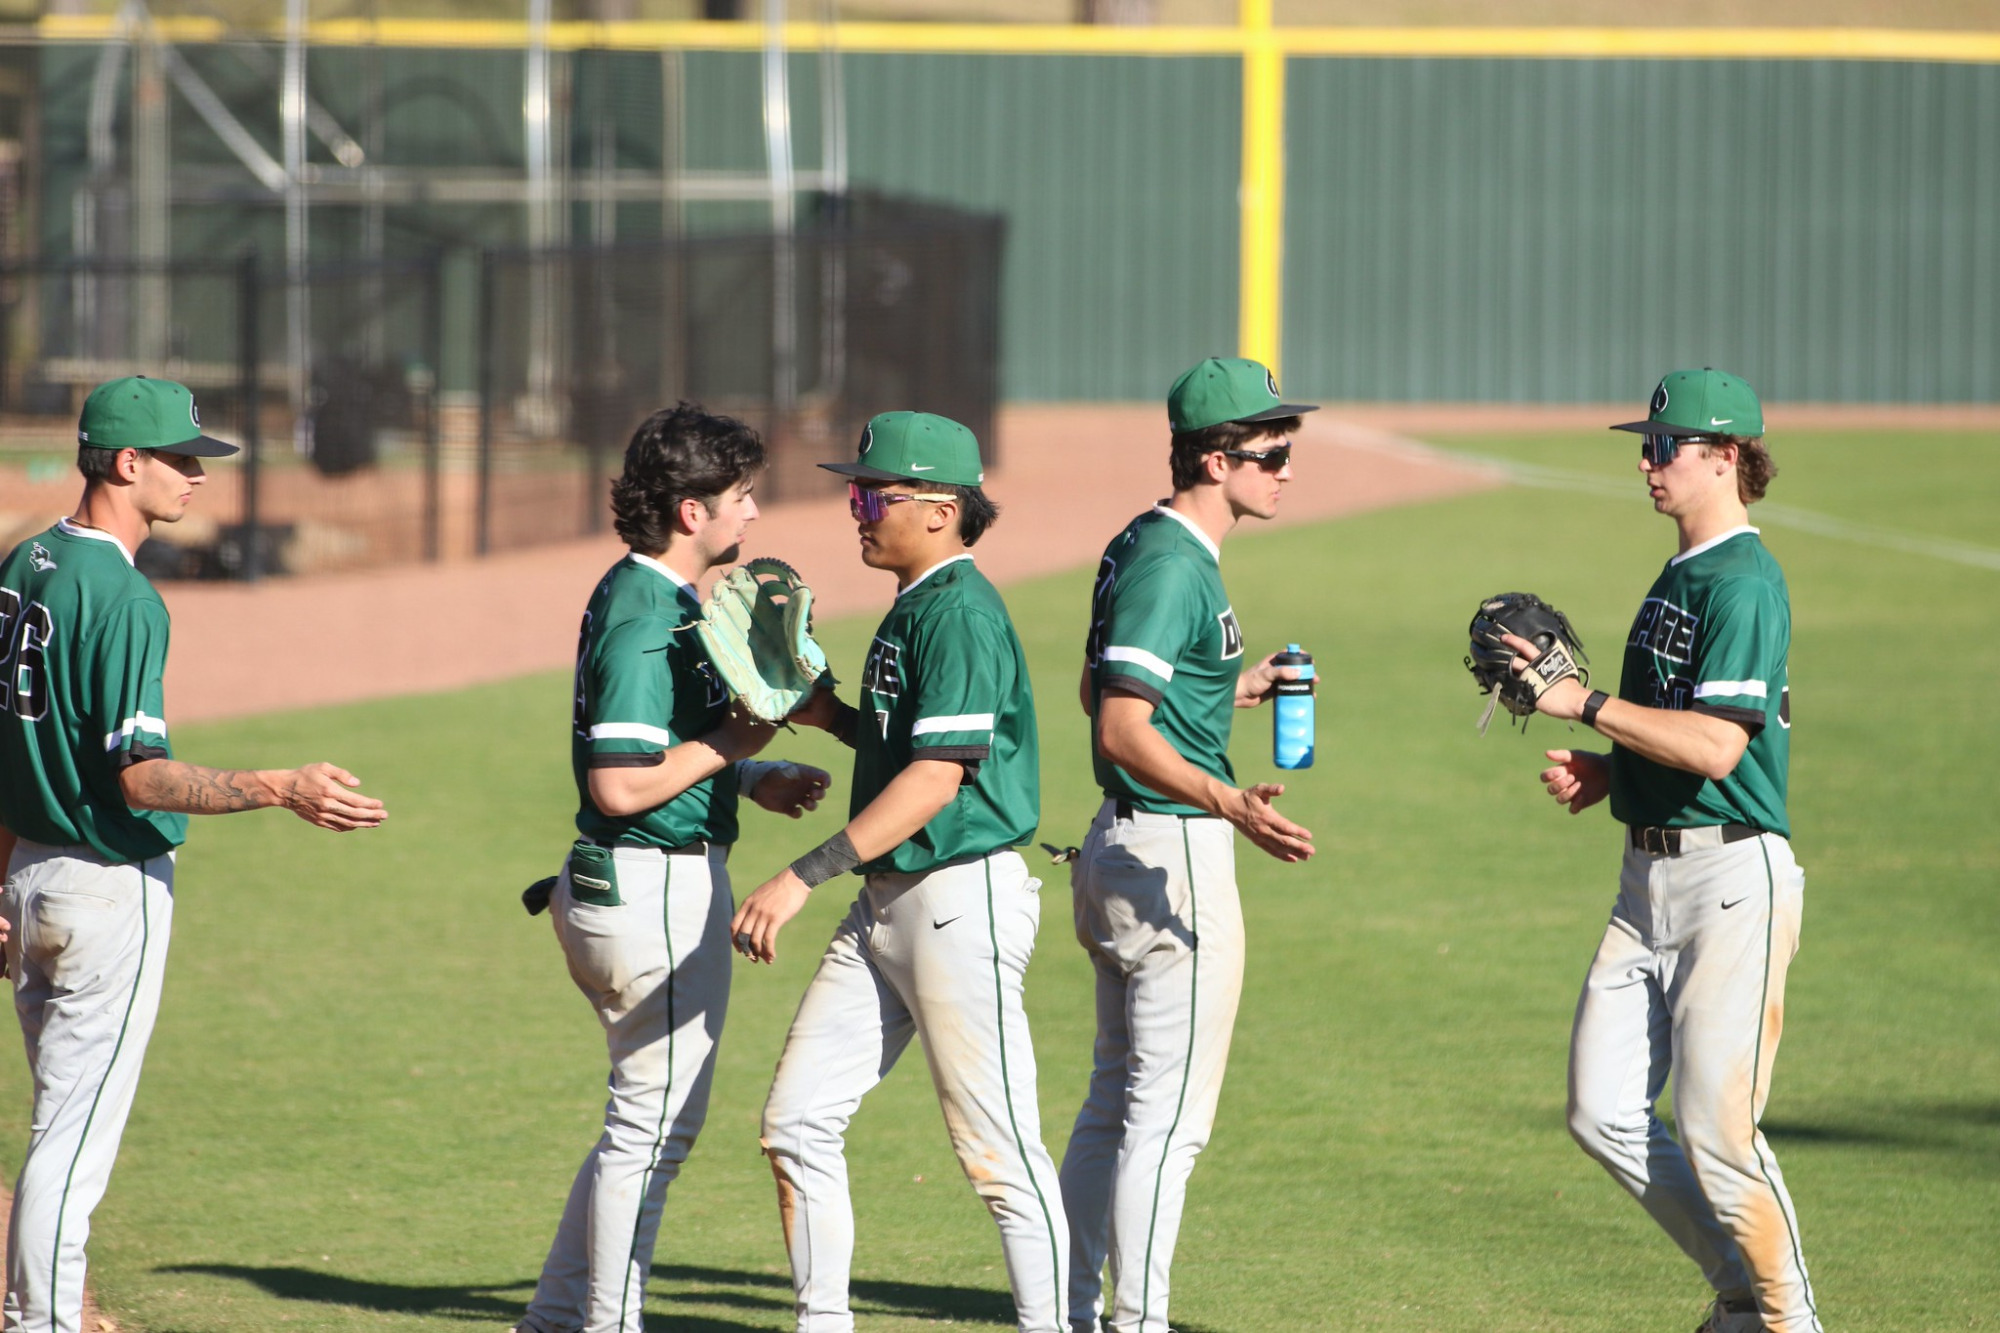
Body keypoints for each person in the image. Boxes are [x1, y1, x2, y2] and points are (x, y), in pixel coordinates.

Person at [0, 375, 389, 1333]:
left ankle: (45, 1305)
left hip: (27, 876)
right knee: (72, 1138)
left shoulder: (23, 564)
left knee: (58, 1118)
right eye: (180, 460)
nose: (196, 477)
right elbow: (140, 777)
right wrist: (279, 784)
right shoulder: (125, 597)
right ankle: (40, 1318)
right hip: (102, 894)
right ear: (124, 463)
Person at [730, 411, 1068, 1333]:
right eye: (856, 491)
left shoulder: (959, 610)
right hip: (888, 909)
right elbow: (895, 739)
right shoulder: (914, 603)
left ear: (940, 508)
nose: (857, 508)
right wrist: (817, 707)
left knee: (998, 1153)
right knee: (796, 1122)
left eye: (872, 493)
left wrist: (802, 873)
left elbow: (934, 778)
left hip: (959, 905)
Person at [1511, 369, 1820, 1333]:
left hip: (1730, 881)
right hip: (1644, 881)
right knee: (1601, 1109)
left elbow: (1721, 745)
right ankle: (1744, 1290)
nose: (1646, 462)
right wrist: (1611, 770)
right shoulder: (1680, 574)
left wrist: (1586, 704)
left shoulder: (1743, 580)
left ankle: (1786, 1316)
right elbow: (1677, 730)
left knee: (1718, 1134)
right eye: (1644, 444)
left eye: (1664, 446)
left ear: (1725, 457)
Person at [513, 404, 831, 1333]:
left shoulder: (655, 594)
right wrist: (735, 739)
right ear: (690, 511)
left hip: (634, 879)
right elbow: (618, 782)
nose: (754, 514)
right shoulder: (646, 608)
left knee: (638, 1124)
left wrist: (751, 770)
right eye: (741, 496)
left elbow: (661, 750)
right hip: (647, 883)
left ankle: (557, 1315)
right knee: (652, 1132)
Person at [1058, 356, 1319, 1333]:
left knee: (1109, 1103)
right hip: (1171, 855)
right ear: (1214, 458)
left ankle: (1068, 1308)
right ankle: (1135, 1319)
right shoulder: (1174, 563)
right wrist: (1230, 802)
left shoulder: (1138, 545)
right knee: (1164, 1123)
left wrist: (1226, 689)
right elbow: (1117, 727)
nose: (1286, 468)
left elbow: (1107, 689)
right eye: (1270, 452)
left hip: (1116, 851)